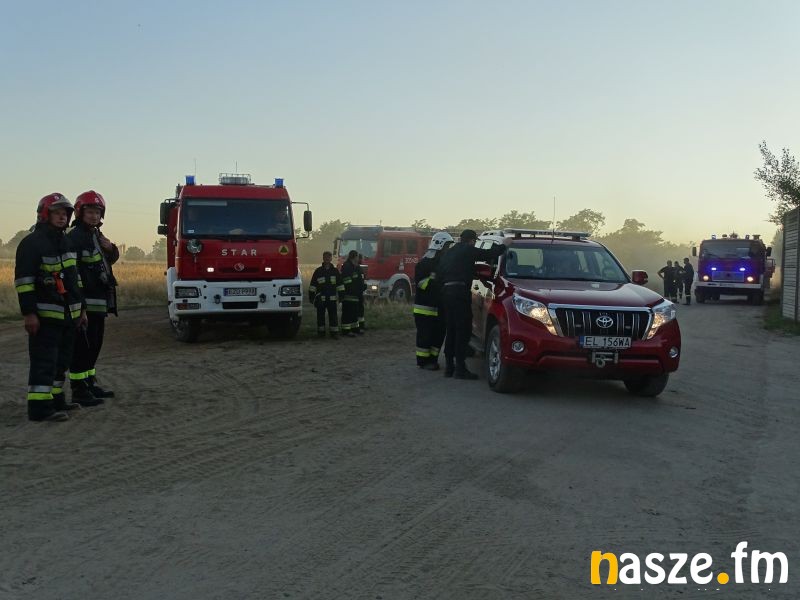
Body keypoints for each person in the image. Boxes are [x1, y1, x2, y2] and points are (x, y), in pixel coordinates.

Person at [14, 194, 88, 422]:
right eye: (57, 213)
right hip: (45, 316)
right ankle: (39, 408)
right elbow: (24, 282)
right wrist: (29, 314)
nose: (62, 217)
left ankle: (56, 400)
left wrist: (82, 310)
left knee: (61, 363)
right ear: (44, 214)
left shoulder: (65, 242)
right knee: (44, 363)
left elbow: (75, 280)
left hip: (68, 316)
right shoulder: (31, 243)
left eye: (65, 213)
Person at [67, 191, 119, 402]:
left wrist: (111, 248)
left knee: (94, 345)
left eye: (97, 212)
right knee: (83, 347)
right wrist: (80, 306)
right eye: (90, 212)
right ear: (80, 213)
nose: (94, 216)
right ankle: (79, 390)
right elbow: (73, 273)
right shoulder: (75, 237)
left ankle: (89, 384)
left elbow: (106, 261)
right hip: (86, 304)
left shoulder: (96, 235)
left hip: (98, 302)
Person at [437, 229, 506, 379]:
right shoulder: (468, 250)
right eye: (474, 242)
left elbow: (441, 273)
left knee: (451, 330)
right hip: (459, 293)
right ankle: (460, 369)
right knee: (463, 330)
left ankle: (449, 368)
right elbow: (489, 254)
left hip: (446, 293)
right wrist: (504, 245)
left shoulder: (449, 253)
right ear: (471, 241)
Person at [413, 232, 453, 370]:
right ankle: (423, 361)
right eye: (447, 246)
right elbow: (420, 283)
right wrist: (434, 278)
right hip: (425, 308)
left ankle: (433, 359)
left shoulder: (445, 264)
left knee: (439, 335)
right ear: (439, 245)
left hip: (440, 308)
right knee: (425, 335)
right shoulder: (424, 263)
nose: (448, 249)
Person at [308, 251, 342, 339]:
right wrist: (311, 297)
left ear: (331, 258)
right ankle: (321, 333)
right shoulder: (318, 271)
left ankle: (334, 333)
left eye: (328, 257)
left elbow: (340, 285)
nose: (327, 258)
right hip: (321, 299)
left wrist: (341, 296)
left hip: (332, 299)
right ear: (323, 258)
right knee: (320, 316)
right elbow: (313, 285)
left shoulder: (335, 271)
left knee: (333, 316)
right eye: (325, 257)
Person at [340, 250, 363, 337]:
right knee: (347, 313)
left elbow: (358, 279)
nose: (358, 258)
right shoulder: (347, 266)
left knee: (354, 313)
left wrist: (360, 288)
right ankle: (346, 331)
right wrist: (355, 289)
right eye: (357, 256)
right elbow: (347, 281)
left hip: (355, 295)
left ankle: (355, 329)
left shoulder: (355, 266)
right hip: (348, 295)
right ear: (354, 257)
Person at [356, 253, 367, 332]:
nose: (362, 260)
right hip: (357, 293)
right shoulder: (355, 268)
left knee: (361, 310)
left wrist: (364, 286)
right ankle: (358, 327)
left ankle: (361, 326)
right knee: (357, 310)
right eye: (361, 258)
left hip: (360, 293)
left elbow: (362, 279)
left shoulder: (360, 268)